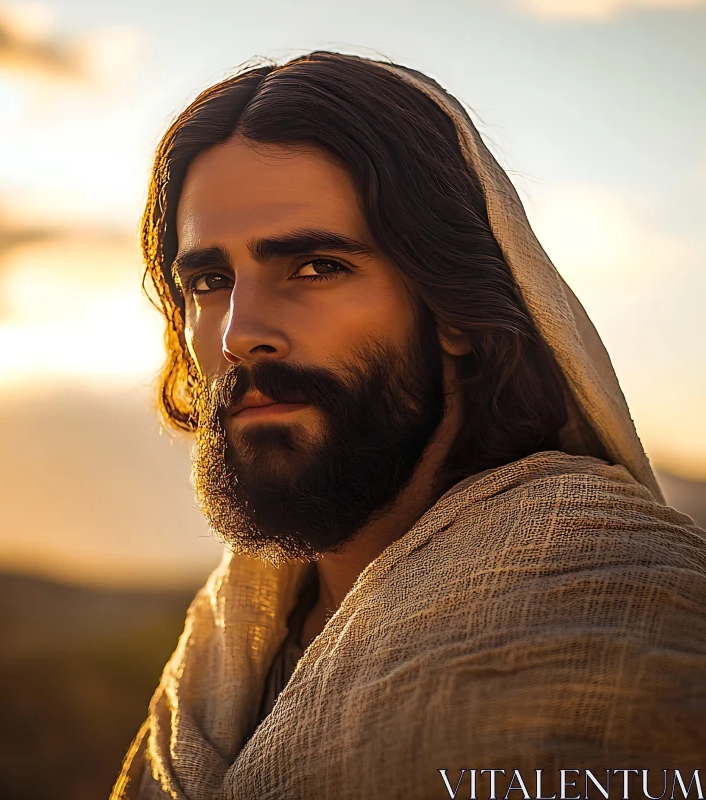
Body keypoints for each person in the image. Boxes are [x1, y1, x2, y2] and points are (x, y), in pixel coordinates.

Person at [111, 52, 706, 800]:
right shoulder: (229, 640)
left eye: (315, 267)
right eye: (209, 281)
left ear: (453, 308)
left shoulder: (606, 596)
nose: (239, 333)